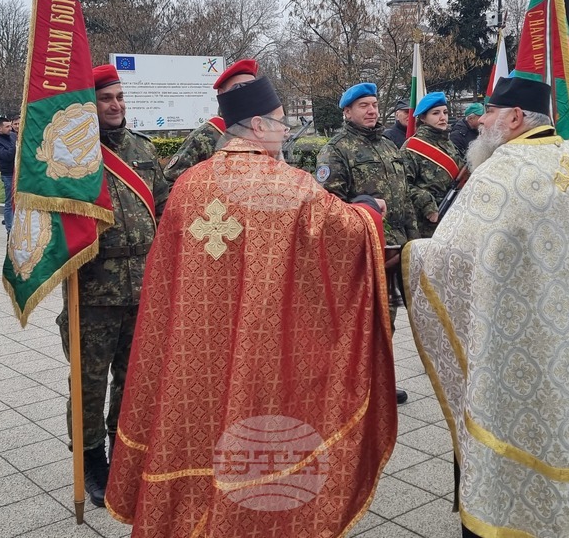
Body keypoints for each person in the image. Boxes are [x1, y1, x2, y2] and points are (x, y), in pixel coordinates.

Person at [106, 75, 396, 537]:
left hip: (193, 350)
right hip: (255, 354)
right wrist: (369, 212)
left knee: (197, 423)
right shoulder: (291, 186)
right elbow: (348, 238)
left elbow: (166, 280)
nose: (286, 133)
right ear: (258, 125)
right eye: (282, 124)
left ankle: (184, 514)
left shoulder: (187, 186)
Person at [403, 76, 569, 538]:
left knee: (543, 423)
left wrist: (412, 254)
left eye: (489, 112)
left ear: (513, 119)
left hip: (536, 338)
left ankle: (542, 515)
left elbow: (452, 254)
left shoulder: (503, 171)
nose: (480, 121)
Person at [58, 64, 169, 509]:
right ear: (89, 104)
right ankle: (90, 462)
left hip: (142, 288)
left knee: (132, 380)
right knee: (89, 383)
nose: (116, 105)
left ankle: (124, 452)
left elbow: (164, 207)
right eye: (106, 98)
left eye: (120, 97)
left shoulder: (142, 149)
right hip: (91, 292)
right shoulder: (68, 155)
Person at [316, 81, 416, 405]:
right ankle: (355, 386)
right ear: (347, 111)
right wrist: (366, 204)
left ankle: (380, 382)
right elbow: (327, 207)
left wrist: (413, 243)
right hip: (362, 252)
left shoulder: (389, 146)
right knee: (361, 323)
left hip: (394, 250)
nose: (372, 110)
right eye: (364, 105)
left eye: (374, 104)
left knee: (388, 322)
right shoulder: (336, 150)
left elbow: (405, 199)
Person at [163, 58, 259, 184]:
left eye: (252, 87)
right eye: (239, 87)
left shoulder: (261, 131)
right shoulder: (206, 135)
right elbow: (171, 182)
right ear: (222, 93)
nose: (247, 93)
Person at [402, 91, 463, 238]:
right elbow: (402, 186)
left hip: (454, 217)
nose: (443, 117)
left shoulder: (449, 144)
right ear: (423, 118)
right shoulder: (412, 147)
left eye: (445, 112)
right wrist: (426, 202)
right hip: (428, 223)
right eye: (436, 113)